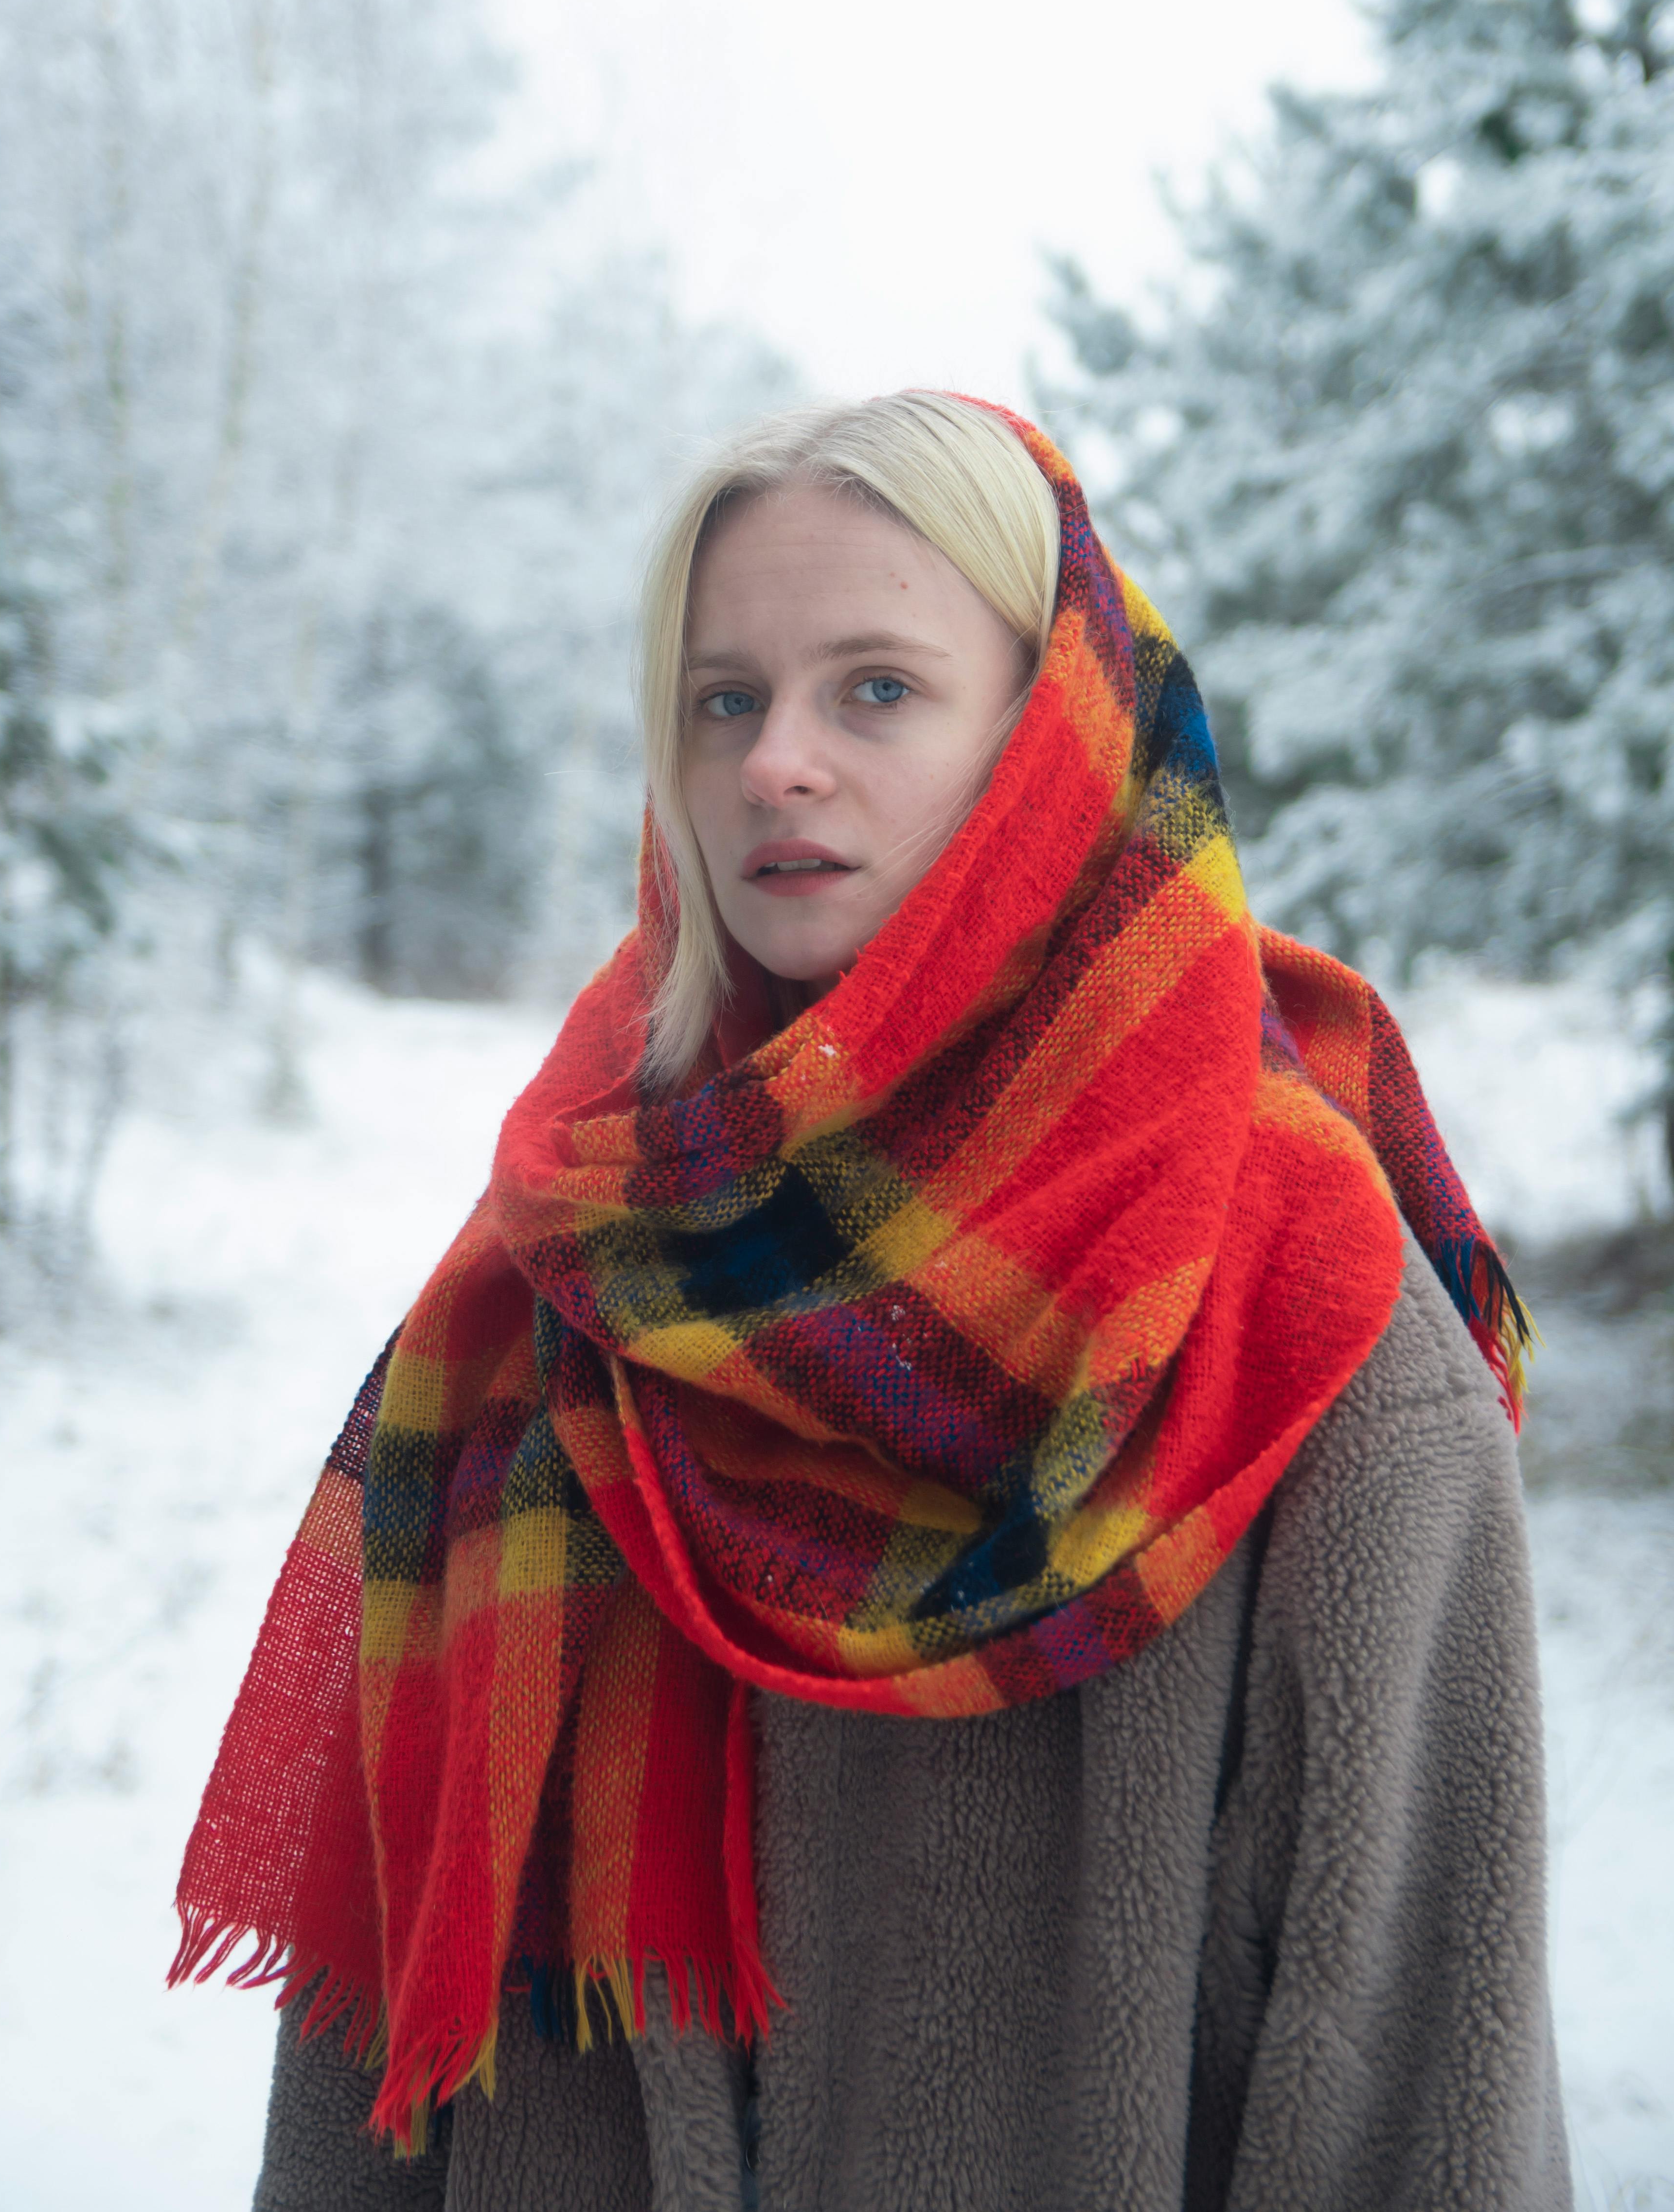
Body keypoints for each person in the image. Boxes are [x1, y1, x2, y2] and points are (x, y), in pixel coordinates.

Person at [176, 391, 1569, 2212]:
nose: (775, 765)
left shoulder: (1305, 1325)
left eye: (878, 689)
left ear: (1053, 740)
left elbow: (1419, 2114)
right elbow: (371, 2074)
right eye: (725, 697)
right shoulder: (566, 1281)